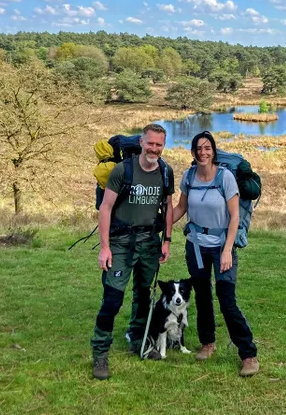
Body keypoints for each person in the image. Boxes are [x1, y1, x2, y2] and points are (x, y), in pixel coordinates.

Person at [171, 130, 259, 377]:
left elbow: (235, 217)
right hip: (196, 245)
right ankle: (208, 343)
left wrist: (228, 250)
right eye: (198, 148)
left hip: (222, 245)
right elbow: (180, 208)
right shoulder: (189, 176)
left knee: (226, 298)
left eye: (207, 148)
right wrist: (161, 225)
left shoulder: (226, 177)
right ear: (193, 152)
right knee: (202, 295)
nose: (203, 152)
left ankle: (248, 354)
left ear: (214, 150)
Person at [91, 123, 175, 380]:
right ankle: (100, 352)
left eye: (159, 144)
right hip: (120, 242)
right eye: (150, 143)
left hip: (149, 242)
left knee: (143, 295)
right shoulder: (122, 170)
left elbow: (169, 206)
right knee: (113, 299)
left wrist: (167, 240)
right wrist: (105, 248)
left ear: (163, 145)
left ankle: (138, 339)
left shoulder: (165, 171)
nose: (154, 149)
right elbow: (105, 208)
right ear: (141, 142)